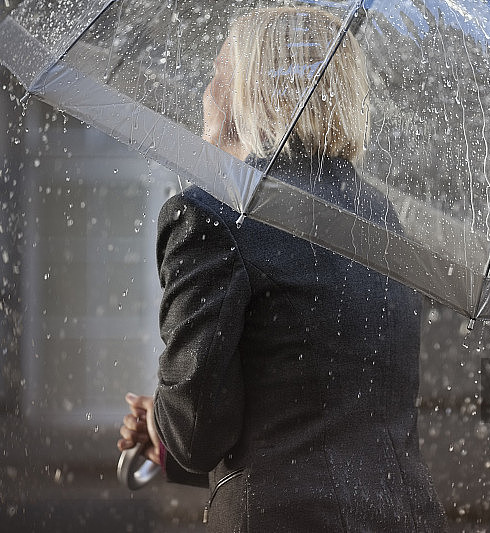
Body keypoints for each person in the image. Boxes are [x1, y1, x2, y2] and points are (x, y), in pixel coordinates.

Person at [117, 6, 447, 531]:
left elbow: (199, 434)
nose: (205, 91)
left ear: (242, 93)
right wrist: (171, 418)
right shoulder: (378, 218)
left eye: (217, 72)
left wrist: (163, 417)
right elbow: (326, 400)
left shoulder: (211, 215)